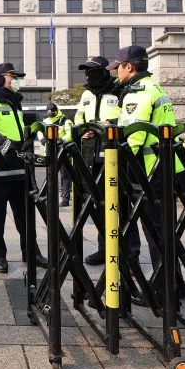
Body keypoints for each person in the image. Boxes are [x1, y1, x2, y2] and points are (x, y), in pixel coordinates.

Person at [106, 46, 185, 302]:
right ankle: (176, 285)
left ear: (128, 67)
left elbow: (135, 135)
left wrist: (113, 165)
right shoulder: (155, 87)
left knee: (155, 232)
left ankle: (163, 291)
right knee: (164, 229)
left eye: (117, 67)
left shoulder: (138, 93)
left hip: (149, 170)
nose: (115, 73)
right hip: (168, 165)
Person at [0, 63, 48, 274]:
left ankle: (32, 252)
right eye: (12, 76)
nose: (16, 80)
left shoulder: (15, 103)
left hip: (19, 166)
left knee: (25, 213)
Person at [73, 56, 120, 265]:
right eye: (86, 71)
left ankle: (123, 249)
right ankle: (105, 248)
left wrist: (107, 124)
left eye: (93, 71)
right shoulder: (86, 94)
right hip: (90, 154)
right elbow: (78, 118)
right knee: (98, 203)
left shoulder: (118, 89)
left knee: (117, 203)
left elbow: (127, 118)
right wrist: (83, 130)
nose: (88, 75)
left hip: (113, 152)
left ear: (104, 71)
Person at [40, 103, 73, 206]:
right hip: (50, 152)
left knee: (65, 177)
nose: (51, 116)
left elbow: (70, 133)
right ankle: (48, 198)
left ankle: (65, 199)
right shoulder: (45, 121)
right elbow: (39, 131)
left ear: (56, 111)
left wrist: (61, 140)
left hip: (63, 152)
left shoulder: (65, 121)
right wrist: (42, 139)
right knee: (50, 176)